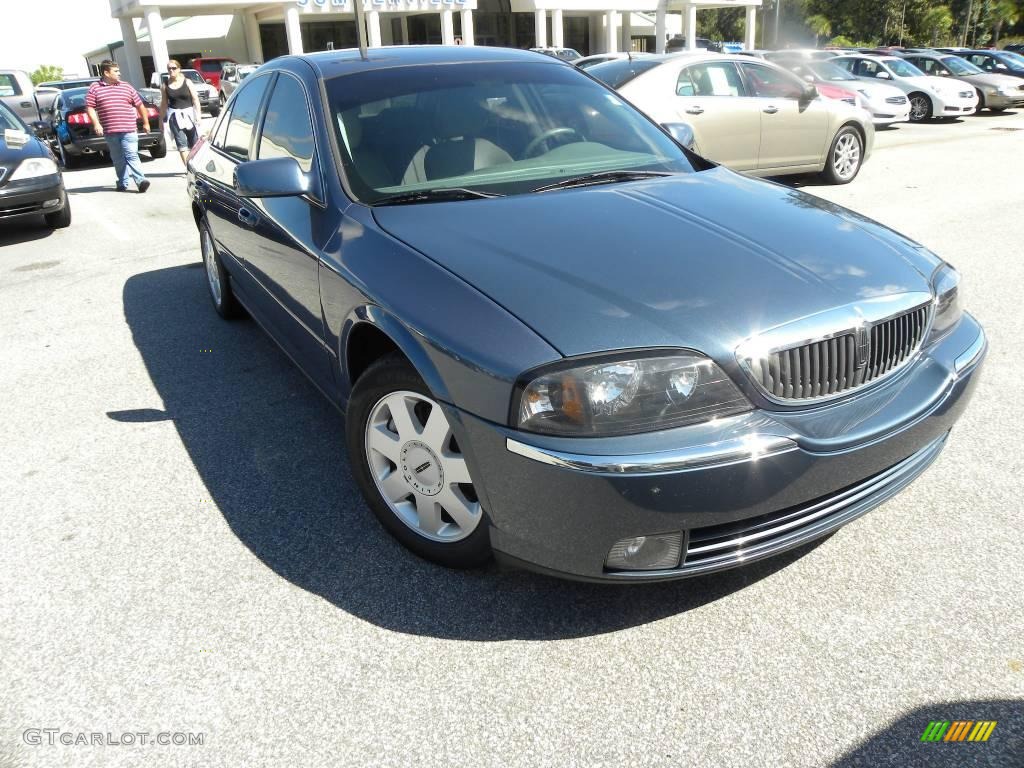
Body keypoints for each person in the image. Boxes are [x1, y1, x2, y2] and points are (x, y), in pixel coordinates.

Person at [85, 60, 151, 193]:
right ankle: (122, 182)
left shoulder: (126, 86)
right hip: (110, 131)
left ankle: (140, 181)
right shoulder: (95, 87)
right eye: (116, 71)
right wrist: (97, 123)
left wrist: (146, 122)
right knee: (118, 158)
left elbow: (140, 105)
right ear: (106, 73)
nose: (119, 73)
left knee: (132, 155)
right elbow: (90, 107)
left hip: (129, 129)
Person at [160, 59, 202, 167]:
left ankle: (197, 165)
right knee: (181, 144)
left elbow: (195, 99)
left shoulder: (187, 82)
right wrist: (160, 120)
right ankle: (188, 168)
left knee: (195, 142)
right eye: (169, 68)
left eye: (174, 68)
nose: (171, 70)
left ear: (179, 69)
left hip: (189, 115)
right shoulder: (164, 85)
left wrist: (198, 115)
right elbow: (164, 103)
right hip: (174, 116)